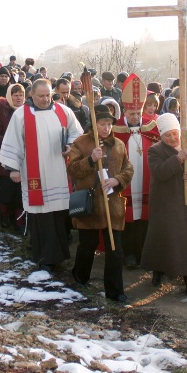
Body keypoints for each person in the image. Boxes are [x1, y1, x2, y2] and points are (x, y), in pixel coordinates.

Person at [0, 79, 84, 269]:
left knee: (59, 214)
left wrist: (71, 147)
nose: (46, 100)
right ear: (32, 95)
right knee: (41, 214)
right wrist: (12, 169)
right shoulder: (21, 115)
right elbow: (13, 141)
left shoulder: (63, 110)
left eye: (48, 95)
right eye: (41, 96)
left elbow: (77, 134)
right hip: (34, 172)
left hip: (59, 171)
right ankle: (44, 256)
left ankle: (61, 254)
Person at [66, 104, 134, 302]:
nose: (106, 128)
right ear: (94, 125)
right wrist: (90, 159)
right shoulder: (80, 143)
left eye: (109, 124)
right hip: (91, 203)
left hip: (112, 204)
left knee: (115, 249)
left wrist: (117, 180)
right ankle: (80, 277)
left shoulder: (119, 145)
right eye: (102, 124)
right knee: (88, 244)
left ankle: (115, 291)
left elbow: (128, 169)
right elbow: (72, 170)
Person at [141, 112, 187, 300]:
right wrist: (179, 158)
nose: (172, 138)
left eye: (175, 133)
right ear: (161, 136)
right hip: (166, 202)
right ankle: (159, 269)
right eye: (168, 135)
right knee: (165, 238)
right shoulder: (155, 150)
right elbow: (160, 172)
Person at [111, 74, 159, 269]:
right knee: (128, 219)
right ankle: (129, 254)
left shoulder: (152, 128)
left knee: (144, 221)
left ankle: (143, 253)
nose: (136, 117)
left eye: (138, 113)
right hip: (126, 184)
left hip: (147, 182)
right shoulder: (116, 131)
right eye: (131, 114)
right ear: (124, 111)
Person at [0, 83, 27, 231]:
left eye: (21, 95)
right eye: (15, 95)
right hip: (5, 159)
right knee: (7, 191)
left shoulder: (28, 112)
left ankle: (19, 219)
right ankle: (4, 216)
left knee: (20, 193)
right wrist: (8, 140)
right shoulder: (2, 112)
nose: (18, 98)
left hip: (23, 159)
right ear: (9, 96)